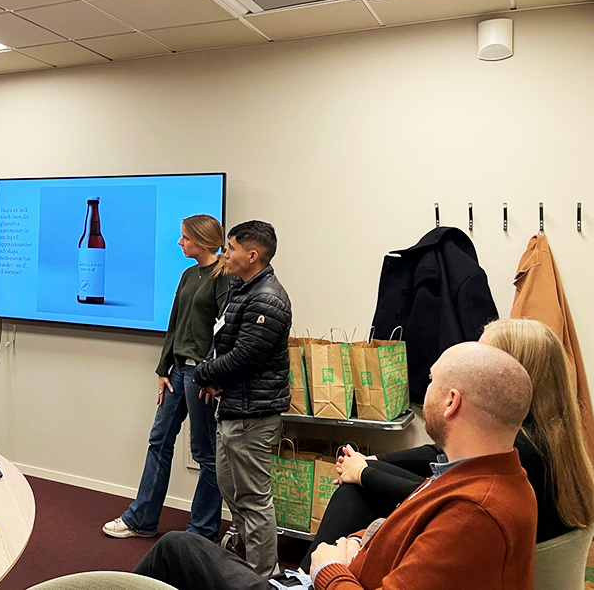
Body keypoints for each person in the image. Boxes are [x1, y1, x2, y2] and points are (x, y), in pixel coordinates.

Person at [134, 341, 538, 590]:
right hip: (341, 572)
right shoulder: (488, 475)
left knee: (175, 550)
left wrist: (329, 568)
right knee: (183, 550)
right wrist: (366, 540)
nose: (424, 390)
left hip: (332, 581)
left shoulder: (475, 513)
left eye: (430, 382)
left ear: (451, 402)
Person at [299, 317, 594, 570]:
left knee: (355, 495)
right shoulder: (547, 435)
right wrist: (374, 463)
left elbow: (443, 494)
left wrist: (364, 473)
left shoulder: (519, 451)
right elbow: (438, 463)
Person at [103, 214, 233, 541]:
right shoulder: (189, 275)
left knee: (205, 454)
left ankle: (200, 533)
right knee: (158, 442)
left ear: (201, 241)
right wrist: (163, 368)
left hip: (201, 376)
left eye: (185, 237)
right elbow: (174, 325)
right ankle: (141, 520)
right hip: (178, 372)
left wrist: (212, 374)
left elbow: (226, 333)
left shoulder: (223, 277)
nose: (180, 242)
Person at [192, 220, 291, 576]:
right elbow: (224, 343)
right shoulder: (242, 288)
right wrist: (213, 374)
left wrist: (203, 374)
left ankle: (264, 577)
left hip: (254, 413)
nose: (225, 253)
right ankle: (243, 568)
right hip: (234, 407)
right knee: (232, 492)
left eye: (231, 247)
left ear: (252, 255)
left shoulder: (268, 298)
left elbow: (245, 356)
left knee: (253, 499)